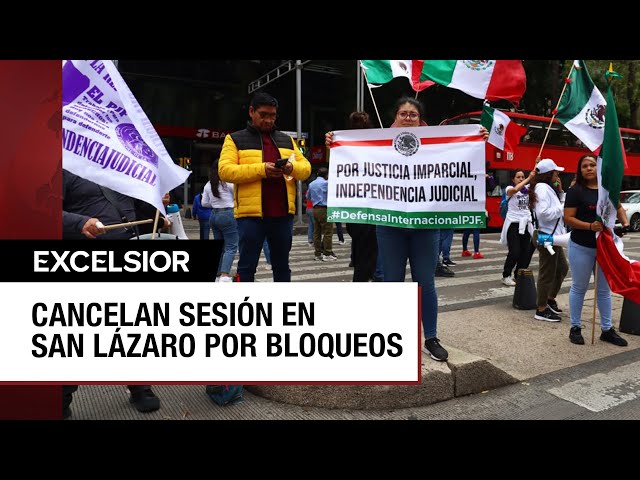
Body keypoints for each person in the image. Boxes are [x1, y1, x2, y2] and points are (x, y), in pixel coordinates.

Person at [326, 97, 488, 361]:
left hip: (426, 226)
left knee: (426, 283)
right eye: (404, 113)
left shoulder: (437, 144)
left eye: (413, 114)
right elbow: (353, 161)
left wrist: (477, 137)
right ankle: (395, 337)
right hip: (390, 227)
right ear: (396, 116)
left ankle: (431, 338)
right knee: (392, 282)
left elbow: (463, 159)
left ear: (420, 118)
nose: (409, 118)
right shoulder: (378, 143)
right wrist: (335, 143)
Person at [62, 169, 161, 418]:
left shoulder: (117, 163)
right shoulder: (61, 168)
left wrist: (156, 204)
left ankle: (140, 386)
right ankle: (62, 394)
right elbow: (41, 209)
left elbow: (137, 206)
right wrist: (79, 222)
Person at [218, 91, 311, 282]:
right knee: (246, 267)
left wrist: (290, 167)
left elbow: (306, 168)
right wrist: (262, 169)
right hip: (251, 217)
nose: (268, 120)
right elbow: (225, 171)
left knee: (282, 266)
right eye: (263, 115)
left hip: (283, 215)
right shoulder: (234, 139)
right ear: (251, 112)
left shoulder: (286, 139)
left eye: (273, 115)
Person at [564, 154, 629, 346]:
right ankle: (575, 327)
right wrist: (589, 226)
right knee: (579, 287)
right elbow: (568, 218)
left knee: (603, 290)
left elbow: (619, 208)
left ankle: (607, 330)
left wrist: (624, 223)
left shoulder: (606, 189)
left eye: (592, 165)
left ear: (598, 167)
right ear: (580, 170)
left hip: (604, 247)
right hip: (581, 246)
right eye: (584, 166)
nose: (589, 168)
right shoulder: (575, 191)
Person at [529, 158, 569, 322]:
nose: (558, 174)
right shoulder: (542, 189)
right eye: (555, 172)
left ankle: (549, 299)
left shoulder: (546, 188)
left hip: (553, 236)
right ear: (548, 174)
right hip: (546, 237)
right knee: (547, 273)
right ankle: (541, 309)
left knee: (561, 268)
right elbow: (543, 214)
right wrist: (563, 206)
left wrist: (560, 193)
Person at [202, 160, 238, 282]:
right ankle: (224, 275)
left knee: (220, 246)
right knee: (231, 246)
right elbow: (237, 196)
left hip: (214, 215)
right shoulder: (228, 182)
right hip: (228, 214)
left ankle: (217, 273)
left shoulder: (208, 185)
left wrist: (215, 203)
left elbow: (204, 203)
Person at [500, 170, 536, 286]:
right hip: (513, 224)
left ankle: (519, 274)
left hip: (526, 223)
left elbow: (534, 176)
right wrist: (527, 179)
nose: (521, 179)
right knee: (515, 251)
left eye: (522, 177)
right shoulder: (509, 189)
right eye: (518, 177)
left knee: (525, 252)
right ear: (513, 179)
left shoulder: (528, 189)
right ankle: (506, 275)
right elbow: (515, 190)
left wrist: (536, 165)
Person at [308, 167, 337, 261]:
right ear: (326, 175)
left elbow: (308, 196)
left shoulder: (311, 184)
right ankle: (327, 253)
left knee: (316, 232)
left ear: (317, 174)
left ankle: (317, 254)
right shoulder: (327, 183)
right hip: (325, 209)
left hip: (315, 209)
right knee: (328, 232)